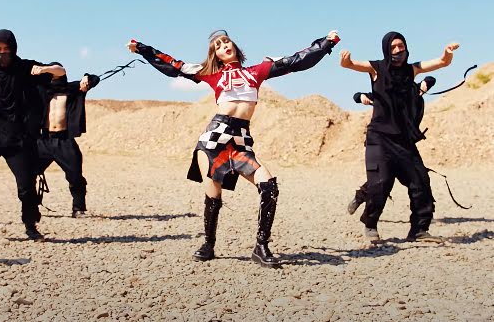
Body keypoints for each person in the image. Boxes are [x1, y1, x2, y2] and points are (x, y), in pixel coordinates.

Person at [127, 29, 340, 268]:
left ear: (235, 46)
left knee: (269, 186)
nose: (223, 46)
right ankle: (208, 244)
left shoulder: (257, 72)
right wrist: (142, 48)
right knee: (213, 194)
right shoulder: (209, 73)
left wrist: (326, 43)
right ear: (215, 55)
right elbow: (174, 65)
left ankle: (261, 247)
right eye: (218, 46)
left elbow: (296, 61)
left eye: (226, 42)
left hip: (240, 141)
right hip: (214, 140)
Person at [340, 31, 459, 243]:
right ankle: (370, 224)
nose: (397, 50)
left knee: (420, 181)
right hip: (379, 137)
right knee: (380, 183)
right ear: (386, 49)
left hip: (404, 140)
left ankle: (419, 230)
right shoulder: (376, 68)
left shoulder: (412, 70)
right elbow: (350, 65)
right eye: (393, 47)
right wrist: (346, 60)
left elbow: (442, 62)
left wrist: (447, 53)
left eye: (400, 46)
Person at [0, 29, 65, 240]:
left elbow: (60, 71)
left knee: (26, 185)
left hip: (19, 138)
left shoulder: (25, 68)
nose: (2, 53)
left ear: (13, 49)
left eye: (6, 49)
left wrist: (45, 69)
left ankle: (30, 225)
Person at [347, 76, 436, 215]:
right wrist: (362, 97)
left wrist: (424, 84)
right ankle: (359, 198)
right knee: (382, 180)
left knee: (420, 178)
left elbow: (431, 79)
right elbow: (356, 96)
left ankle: (424, 214)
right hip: (384, 144)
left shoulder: (414, 91)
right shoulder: (385, 95)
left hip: (405, 146)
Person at [35, 67, 100, 217]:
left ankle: (78, 208)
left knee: (75, 175)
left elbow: (95, 79)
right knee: (28, 172)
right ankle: (32, 205)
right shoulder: (42, 90)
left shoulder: (72, 89)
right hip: (44, 139)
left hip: (64, 140)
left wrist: (86, 77)